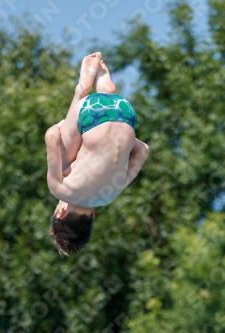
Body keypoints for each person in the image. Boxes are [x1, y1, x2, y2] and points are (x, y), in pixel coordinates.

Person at [44, 52, 150, 256]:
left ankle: (104, 86)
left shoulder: (109, 197)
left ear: (92, 216)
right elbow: (51, 136)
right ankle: (82, 89)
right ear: (61, 212)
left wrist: (122, 137)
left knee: (74, 163)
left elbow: (143, 150)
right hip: (89, 111)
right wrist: (60, 126)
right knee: (64, 160)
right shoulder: (59, 190)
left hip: (125, 113)